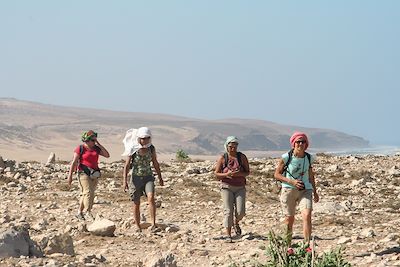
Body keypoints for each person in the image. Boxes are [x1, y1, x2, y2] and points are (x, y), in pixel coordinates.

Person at [274, 132, 319, 246]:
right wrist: (291, 181)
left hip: (305, 189)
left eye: (303, 142)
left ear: (306, 144)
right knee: (290, 219)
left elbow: (310, 175)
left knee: (307, 215)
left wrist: (315, 191)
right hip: (289, 190)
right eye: (298, 142)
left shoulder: (309, 158)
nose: (300, 144)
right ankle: (288, 245)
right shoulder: (286, 157)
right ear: (293, 144)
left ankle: (307, 245)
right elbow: (277, 174)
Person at [122, 127, 163, 232]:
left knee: (151, 198)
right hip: (136, 178)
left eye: (147, 138)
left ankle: (153, 223)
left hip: (148, 177)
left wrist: (160, 177)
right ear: (139, 138)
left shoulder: (151, 148)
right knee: (136, 202)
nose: (145, 140)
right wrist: (124, 181)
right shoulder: (133, 149)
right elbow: (127, 165)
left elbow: (155, 162)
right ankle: (137, 225)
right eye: (143, 138)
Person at [68, 130, 110, 220]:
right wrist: (70, 175)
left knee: (86, 193)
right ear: (87, 140)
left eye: (95, 140)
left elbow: (107, 155)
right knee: (88, 192)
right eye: (93, 140)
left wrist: (99, 144)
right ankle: (88, 211)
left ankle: (79, 212)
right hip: (83, 173)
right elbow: (74, 162)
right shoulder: (80, 148)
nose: (94, 142)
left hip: (94, 173)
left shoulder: (96, 148)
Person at [214, 136, 250, 242]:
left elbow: (247, 172)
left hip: (240, 187)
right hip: (226, 187)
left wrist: (239, 174)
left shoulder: (242, 157)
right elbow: (216, 173)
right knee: (228, 211)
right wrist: (226, 174)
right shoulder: (223, 158)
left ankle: (236, 222)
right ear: (227, 146)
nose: (233, 149)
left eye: (235, 146)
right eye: (231, 147)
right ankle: (228, 235)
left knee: (241, 211)